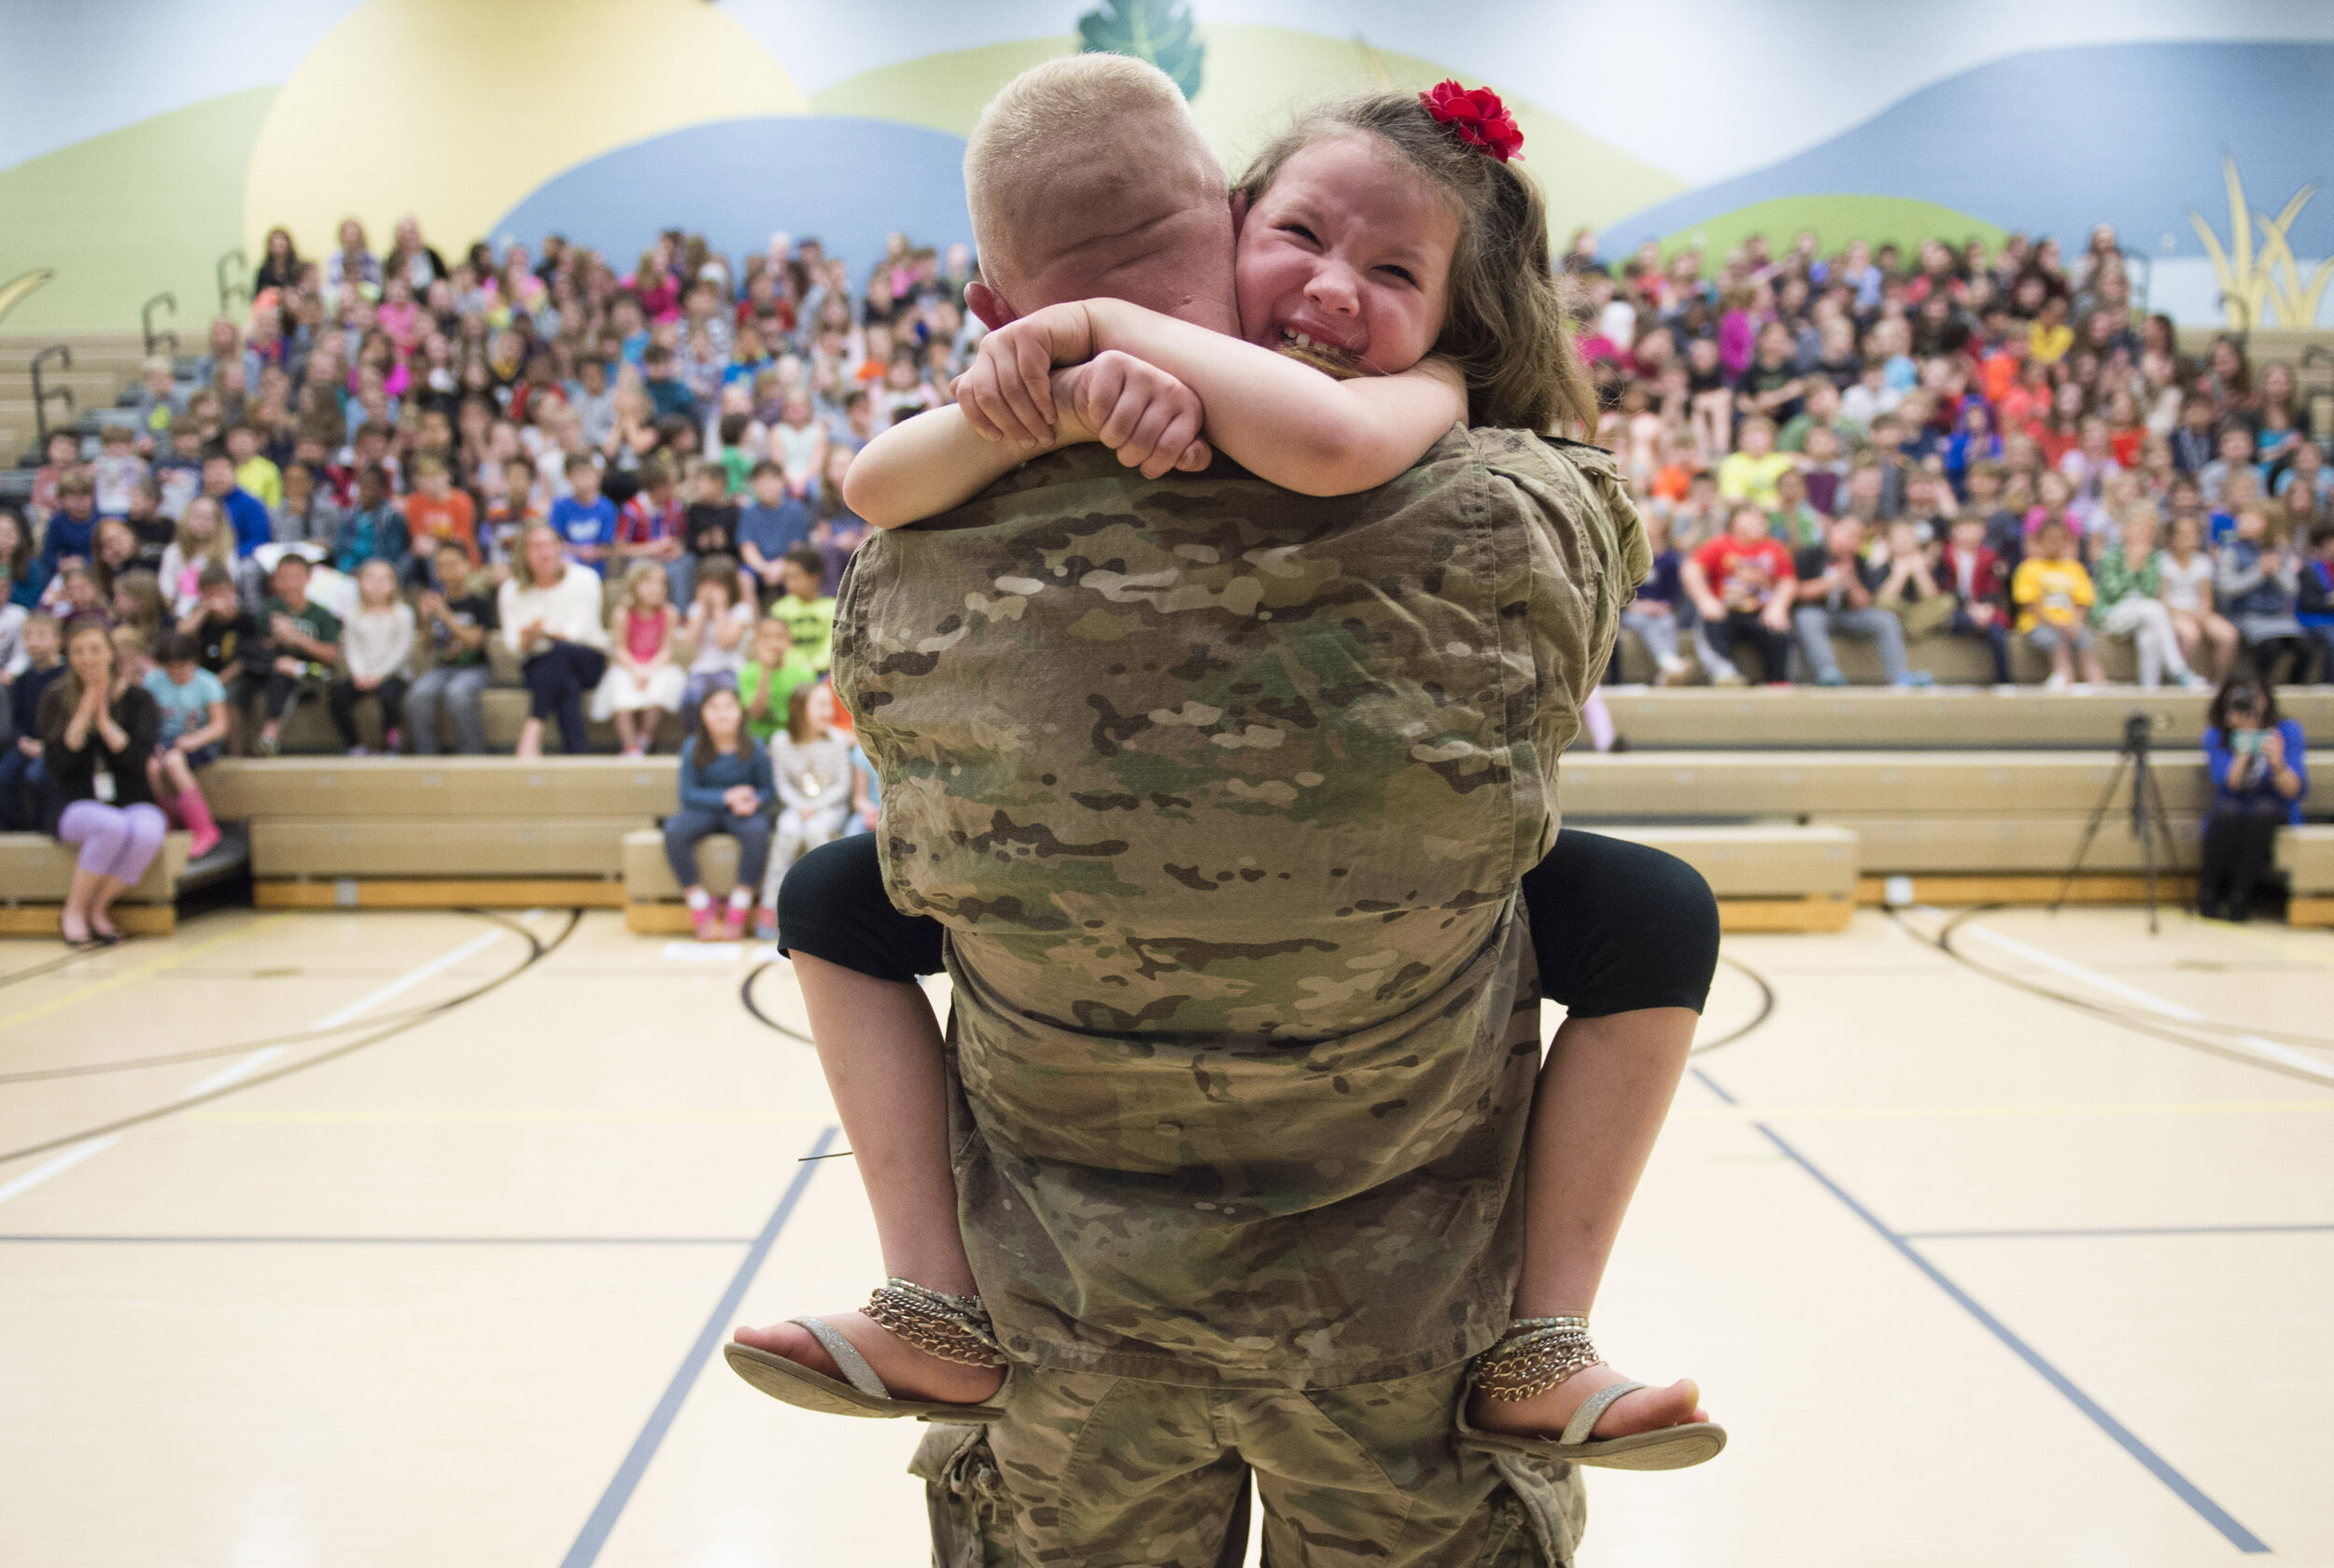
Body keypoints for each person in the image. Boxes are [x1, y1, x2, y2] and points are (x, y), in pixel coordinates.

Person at [732, 63, 1715, 1561]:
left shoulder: (1398, 410)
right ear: (1230, 222)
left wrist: (1095, 344)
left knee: (837, 897)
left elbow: (1311, 447)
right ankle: (1539, 1331)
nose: (1330, 288)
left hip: (1074, 1273)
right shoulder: (1522, 505)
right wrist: (1096, 388)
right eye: (1299, 237)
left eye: (1392, 269)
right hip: (1394, 1272)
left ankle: (940, 1286)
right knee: (1644, 908)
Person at [39, 618, 166, 945]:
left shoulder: (140, 700)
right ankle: (73, 910)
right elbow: (57, 764)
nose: (87, 658)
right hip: (73, 803)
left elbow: (140, 760)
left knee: (149, 830)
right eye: (78, 651)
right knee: (111, 825)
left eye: (95, 649)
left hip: (132, 798)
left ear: (111, 653)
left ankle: (97, 909)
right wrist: (82, 717)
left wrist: (105, 723)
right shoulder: (54, 698)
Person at [664, 685, 774, 941]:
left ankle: (740, 903)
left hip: (741, 813)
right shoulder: (692, 746)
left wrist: (752, 801)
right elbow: (687, 793)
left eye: (729, 707)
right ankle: (699, 902)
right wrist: (727, 796)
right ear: (702, 714)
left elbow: (768, 792)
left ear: (740, 713)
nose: (722, 714)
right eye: (714, 707)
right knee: (674, 830)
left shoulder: (755, 747)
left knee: (758, 831)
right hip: (703, 811)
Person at [2197, 675, 2307, 922]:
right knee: (2227, 811)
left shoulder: (2287, 731)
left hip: (2273, 809)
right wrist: (2245, 745)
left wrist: (2277, 763)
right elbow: (2229, 784)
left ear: (2266, 700)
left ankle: (2241, 896)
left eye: (2254, 698)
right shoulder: (2218, 734)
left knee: (2263, 810)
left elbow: (2295, 791)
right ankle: (2208, 893)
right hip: (2232, 808)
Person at [752, 680, 851, 941]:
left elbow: (842, 786)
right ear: (799, 708)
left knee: (817, 833)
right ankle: (770, 907)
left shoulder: (837, 740)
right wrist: (801, 806)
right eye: (819, 705)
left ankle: (825, 910)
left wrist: (815, 806)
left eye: (829, 705)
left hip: (829, 808)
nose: (827, 711)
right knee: (787, 831)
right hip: (796, 807)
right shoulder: (781, 741)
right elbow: (782, 785)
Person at [499, 522, 608, 756]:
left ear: (560, 548)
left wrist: (541, 633)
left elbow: (579, 633)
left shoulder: (585, 578)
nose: (545, 552)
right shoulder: (511, 589)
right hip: (540, 663)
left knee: (558, 652)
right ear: (523, 553)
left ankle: (534, 725)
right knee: (566, 683)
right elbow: (513, 643)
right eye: (536, 546)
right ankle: (576, 758)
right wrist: (530, 640)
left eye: (550, 544)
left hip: (587, 658)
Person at [1792, 515, 1925, 687]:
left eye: (1857, 538)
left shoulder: (1859, 561)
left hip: (1849, 616)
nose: (1852, 542)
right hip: (1819, 614)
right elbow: (1798, 592)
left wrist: (1851, 580)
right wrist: (1829, 583)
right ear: (1834, 531)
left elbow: (1864, 603)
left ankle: (1899, 677)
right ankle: (1828, 673)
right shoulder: (1812, 553)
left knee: (1885, 619)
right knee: (1806, 616)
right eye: (1848, 535)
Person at [2088, 504, 2205, 690]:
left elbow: (2150, 592)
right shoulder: (2111, 554)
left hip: (2142, 615)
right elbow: (2112, 593)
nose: (2144, 533)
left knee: (2149, 634)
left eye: (2149, 529)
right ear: (2126, 529)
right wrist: (2132, 566)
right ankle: (2179, 670)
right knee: (2154, 610)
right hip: (2110, 614)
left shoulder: (2152, 558)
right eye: (2139, 527)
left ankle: (2149, 689)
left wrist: (2142, 563)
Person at [1684, 503, 1797, 684]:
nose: (1758, 522)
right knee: (1709, 623)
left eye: (1761, 518)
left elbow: (1787, 581)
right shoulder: (1720, 545)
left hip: (1762, 614)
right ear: (1734, 521)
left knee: (1779, 631)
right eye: (1751, 517)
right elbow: (1691, 569)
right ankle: (1723, 672)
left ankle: (1779, 681)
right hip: (1726, 612)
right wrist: (1705, 600)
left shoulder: (1774, 548)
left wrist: (1778, 606)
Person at [405, 546, 498, 755]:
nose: (447, 571)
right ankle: (426, 757)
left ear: (467, 567)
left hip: (475, 668)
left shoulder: (478, 603)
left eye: (453, 564)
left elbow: (475, 643)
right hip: (442, 668)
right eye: (441, 566)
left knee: (458, 693)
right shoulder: (435, 603)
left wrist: (445, 615)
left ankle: (473, 755)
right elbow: (427, 648)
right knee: (417, 695)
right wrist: (426, 620)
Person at [141, 631, 226, 857]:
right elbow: (147, 721)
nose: (176, 672)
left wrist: (194, 740)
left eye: (181, 666)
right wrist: (152, 744)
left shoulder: (208, 682)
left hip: (199, 741)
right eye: (170, 667)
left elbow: (219, 725)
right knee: (153, 767)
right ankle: (170, 826)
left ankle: (204, 828)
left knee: (174, 763)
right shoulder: (153, 682)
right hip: (165, 741)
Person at [592, 561, 686, 757]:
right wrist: (635, 671)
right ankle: (630, 745)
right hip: (629, 666)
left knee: (658, 687)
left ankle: (645, 736)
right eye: (649, 582)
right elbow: (620, 649)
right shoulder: (623, 614)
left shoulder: (669, 613)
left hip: (657, 665)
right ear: (634, 585)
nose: (656, 589)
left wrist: (650, 670)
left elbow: (667, 650)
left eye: (661, 583)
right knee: (620, 690)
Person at [327, 559, 415, 754]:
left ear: (394, 583)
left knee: (389, 696)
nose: (377, 584)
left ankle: (392, 744)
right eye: (371, 578)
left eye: (384, 578)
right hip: (362, 674)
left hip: (394, 675)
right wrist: (360, 674)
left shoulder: (403, 613)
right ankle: (354, 745)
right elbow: (352, 649)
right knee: (337, 695)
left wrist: (379, 675)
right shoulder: (353, 614)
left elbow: (400, 650)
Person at [2217, 502, 2311, 685]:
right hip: (2245, 615)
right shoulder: (2231, 550)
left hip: (2278, 617)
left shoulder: (2279, 551)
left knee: (2306, 648)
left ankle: (2294, 691)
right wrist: (2259, 572)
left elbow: (2292, 588)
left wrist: (2276, 570)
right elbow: (2226, 587)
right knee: (2270, 647)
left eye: (2251, 517)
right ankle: (2260, 689)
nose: (2242, 521)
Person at [2013, 517, 2103, 689]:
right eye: (2049, 539)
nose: (2054, 544)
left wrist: (2075, 624)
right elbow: (2028, 604)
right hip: (2039, 624)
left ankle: (2100, 687)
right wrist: (2056, 624)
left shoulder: (2074, 568)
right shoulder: (2028, 568)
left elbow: (2083, 602)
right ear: (2039, 541)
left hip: (2072, 623)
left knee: (2086, 643)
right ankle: (2065, 682)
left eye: (2059, 539)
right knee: (2056, 644)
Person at [0, 612, 63, 832]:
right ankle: (10, 832)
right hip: (25, 744)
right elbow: (16, 717)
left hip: (55, 747)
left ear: (58, 640)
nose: (34, 642)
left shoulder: (65, 677)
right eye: (28, 636)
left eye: (41, 636)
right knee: (4, 775)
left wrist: (45, 747)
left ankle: (38, 831)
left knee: (35, 777)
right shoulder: (23, 678)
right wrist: (21, 740)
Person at [2160, 511, 2239, 685]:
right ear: (2171, 537)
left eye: (2193, 533)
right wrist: (2186, 616)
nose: (2189, 538)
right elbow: (2162, 601)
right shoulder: (2162, 561)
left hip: (2199, 612)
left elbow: (2206, 597)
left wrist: (2201, 615)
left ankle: (2217, 684)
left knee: (2229, 635)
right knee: (2191, 635)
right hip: (2174, 613)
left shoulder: (2203, 562)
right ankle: (2176, 681)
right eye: (2183, 534)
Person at [1938, 511, 2012, 683]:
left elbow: (1994, 587)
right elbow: (1943, 587)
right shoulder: (1943, 556)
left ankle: (2003, 681)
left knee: (1997, 633)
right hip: (1954, 609)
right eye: (1964, 528)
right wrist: (1967, 608)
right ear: (1953, 532)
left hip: (1984, 609)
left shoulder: (1990, 557)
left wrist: (1987, 608)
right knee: (1959, 623)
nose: (1969, 532)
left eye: (1974, 528)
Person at [737, 459, 811, 603]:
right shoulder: (748, 512)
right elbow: (747, 548)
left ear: (782, 482)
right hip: (759, 566)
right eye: (761, 481)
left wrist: (781, 566)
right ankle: (754, 623)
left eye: (772, 480)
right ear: (753, 485)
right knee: (744, 578)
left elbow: (797, 547)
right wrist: (764, 568)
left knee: (795, 573)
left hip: (787, 562)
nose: (767, 486)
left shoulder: (795, 510)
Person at [737, 616, 815, 747]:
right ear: (755, 643)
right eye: (766, 637)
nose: (773, 643)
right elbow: (756, 713)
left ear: (789, 642)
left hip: (794, 740)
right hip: (758, 742)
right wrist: (766, 669)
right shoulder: (746, 673)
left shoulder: (804, 673)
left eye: (779, 637)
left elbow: (807, 718)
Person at [766, 546, 835, 672]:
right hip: (787, 672)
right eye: (786, 577)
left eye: (795, 577)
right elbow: (775, 645)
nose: (788, 583)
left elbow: (832, 646)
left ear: (814, 577)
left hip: (822, 673)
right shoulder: (779, 609)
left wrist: (812, 667)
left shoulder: (832, 608)